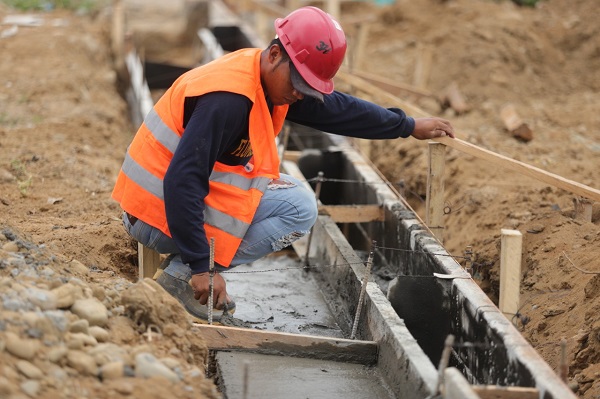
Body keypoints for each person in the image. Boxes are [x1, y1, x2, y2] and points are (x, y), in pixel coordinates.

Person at [112, 6, 454, 322]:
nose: (300, 94)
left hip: (161, 206)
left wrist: (406, 125)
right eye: (299, 84)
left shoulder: (268, 78)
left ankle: (184, 271)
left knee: (296, 201)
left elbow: (338, 109)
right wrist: (203, 268)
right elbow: (182, 182)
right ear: (275, 54)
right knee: (297, 210)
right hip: (154, 215)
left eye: (309, 88)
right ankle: (180, 279)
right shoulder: (228, 102)